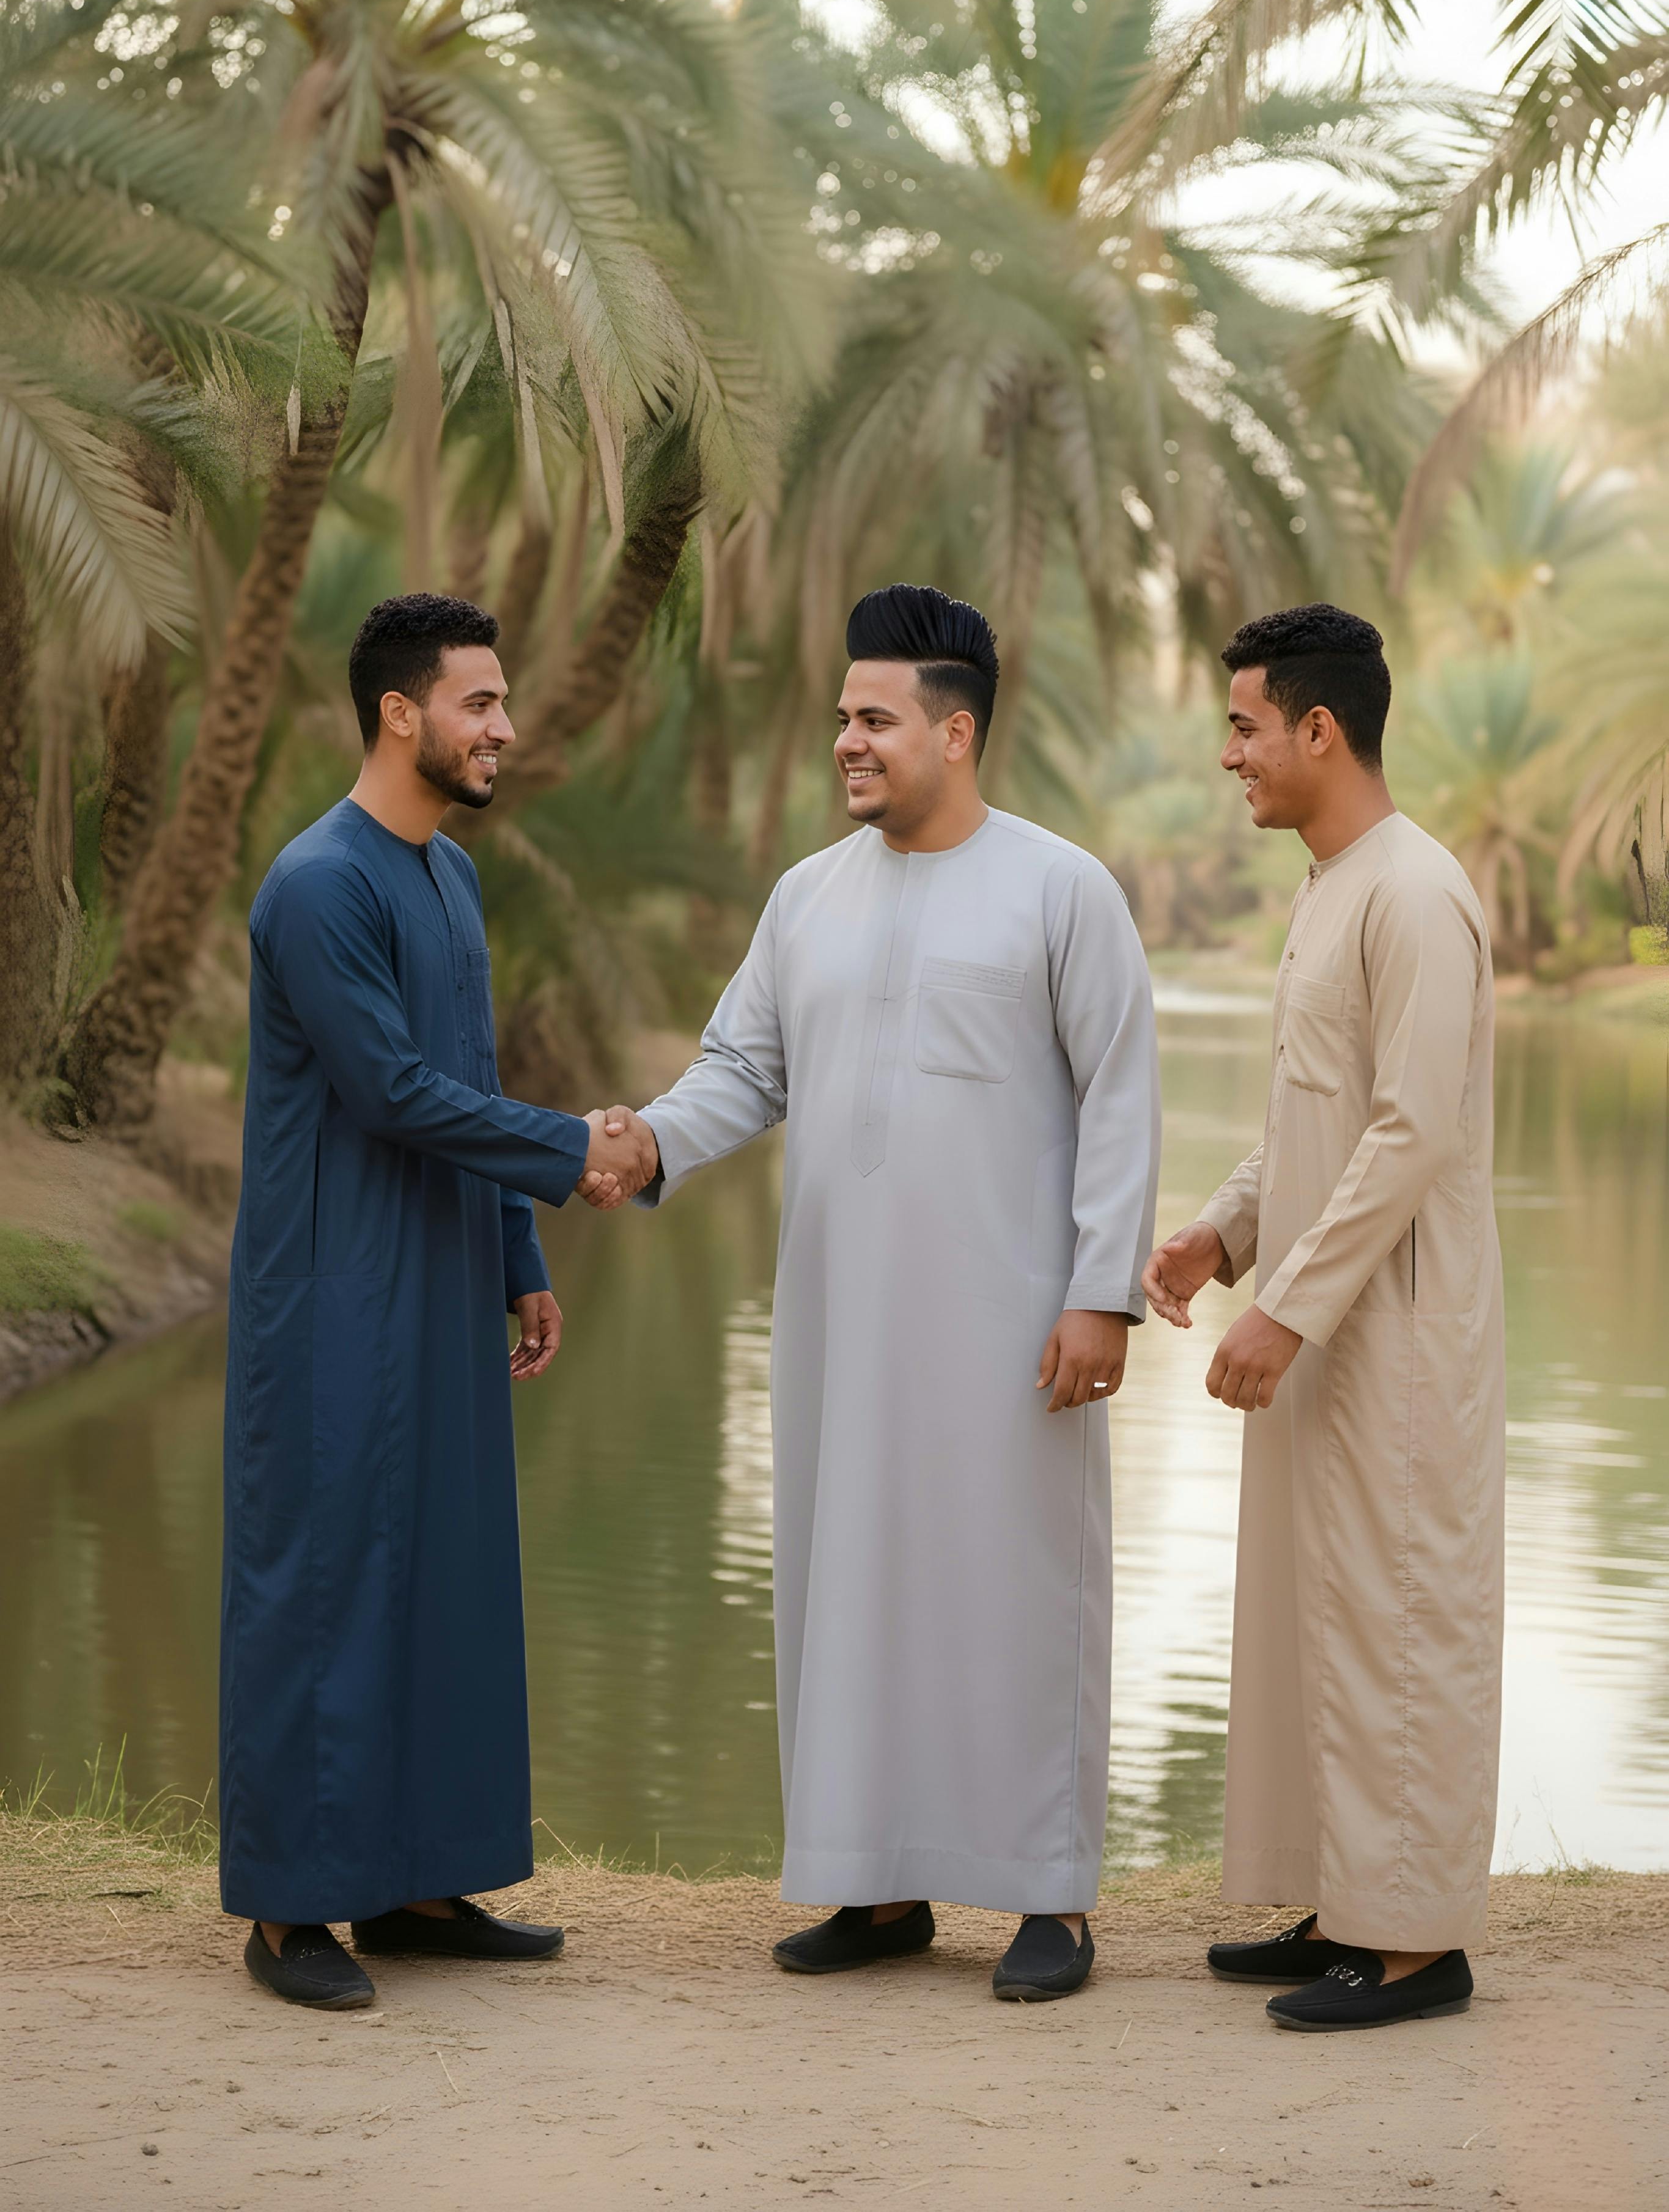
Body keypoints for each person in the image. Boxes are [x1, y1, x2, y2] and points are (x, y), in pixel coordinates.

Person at [595, 584, 1160, 2002]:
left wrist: (1102, 1291)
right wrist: (651, 1140)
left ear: (955, 733)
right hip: (841, 1326)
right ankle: (878, 1883)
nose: (846, 739)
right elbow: (745, 1067)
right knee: (847, 1584)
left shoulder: (1062, 889)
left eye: (875, 718)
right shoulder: (808, 896)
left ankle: (1048, 1896)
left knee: (1021, 1591)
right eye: (843, 715)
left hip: (1014, 1327)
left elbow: (1120, 1097)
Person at [222, 592, 641, 2010]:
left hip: (447, 1281)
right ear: (400, 713)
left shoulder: (450, 877)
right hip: (333, 1294)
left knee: (444, 1575)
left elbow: (465, 1065)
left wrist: (520, 1256)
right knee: (324, 1580)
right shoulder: (316, 883)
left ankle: (415, 1883)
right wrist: (575, 1148)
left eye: (503, 700)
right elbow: (392, 1091)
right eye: (481, 701)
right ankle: (290, 1908)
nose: (504, 725)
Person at [1142, 603, 1505, 2033]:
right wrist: (1223, 1232)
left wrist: (1283, 1308)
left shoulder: (1414, 893)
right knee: (1320, 1613)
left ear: (1318, 726)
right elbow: (1316, 1115)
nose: (1229, 754)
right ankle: (1343, 1904)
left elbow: (1411, 1133)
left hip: (1395, 1334)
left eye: (1243, 727)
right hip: (1327, 1322)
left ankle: (1414, 1947)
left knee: (1399, 1615)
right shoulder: (1335, 886)